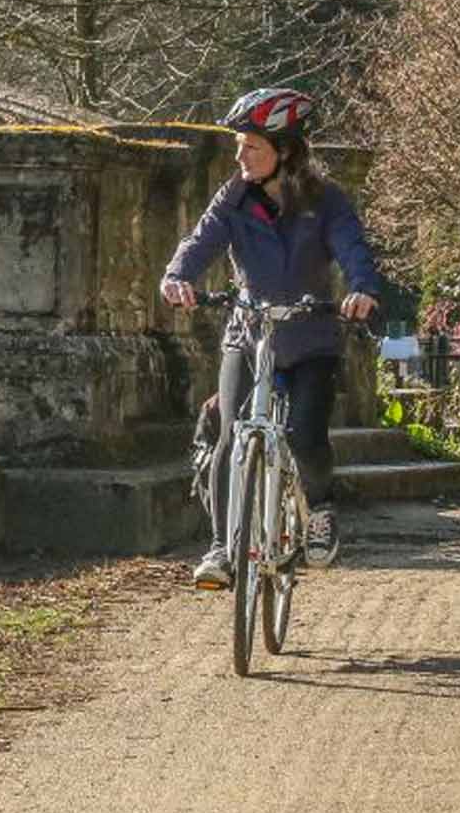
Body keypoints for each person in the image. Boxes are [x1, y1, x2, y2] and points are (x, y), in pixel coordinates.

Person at [160, 88, 381, 588]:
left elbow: (353, 248)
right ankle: (221, 547)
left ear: (285, 152)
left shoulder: (325, 201)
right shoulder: (233, 199)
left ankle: (320, 509)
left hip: (311, 339)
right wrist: (178, 277)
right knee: (230, 436)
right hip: (249, 333)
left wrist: (362, 290)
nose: (239, 157)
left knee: (305, 436)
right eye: (240, 146)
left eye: (251, 147)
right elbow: (200, 242)